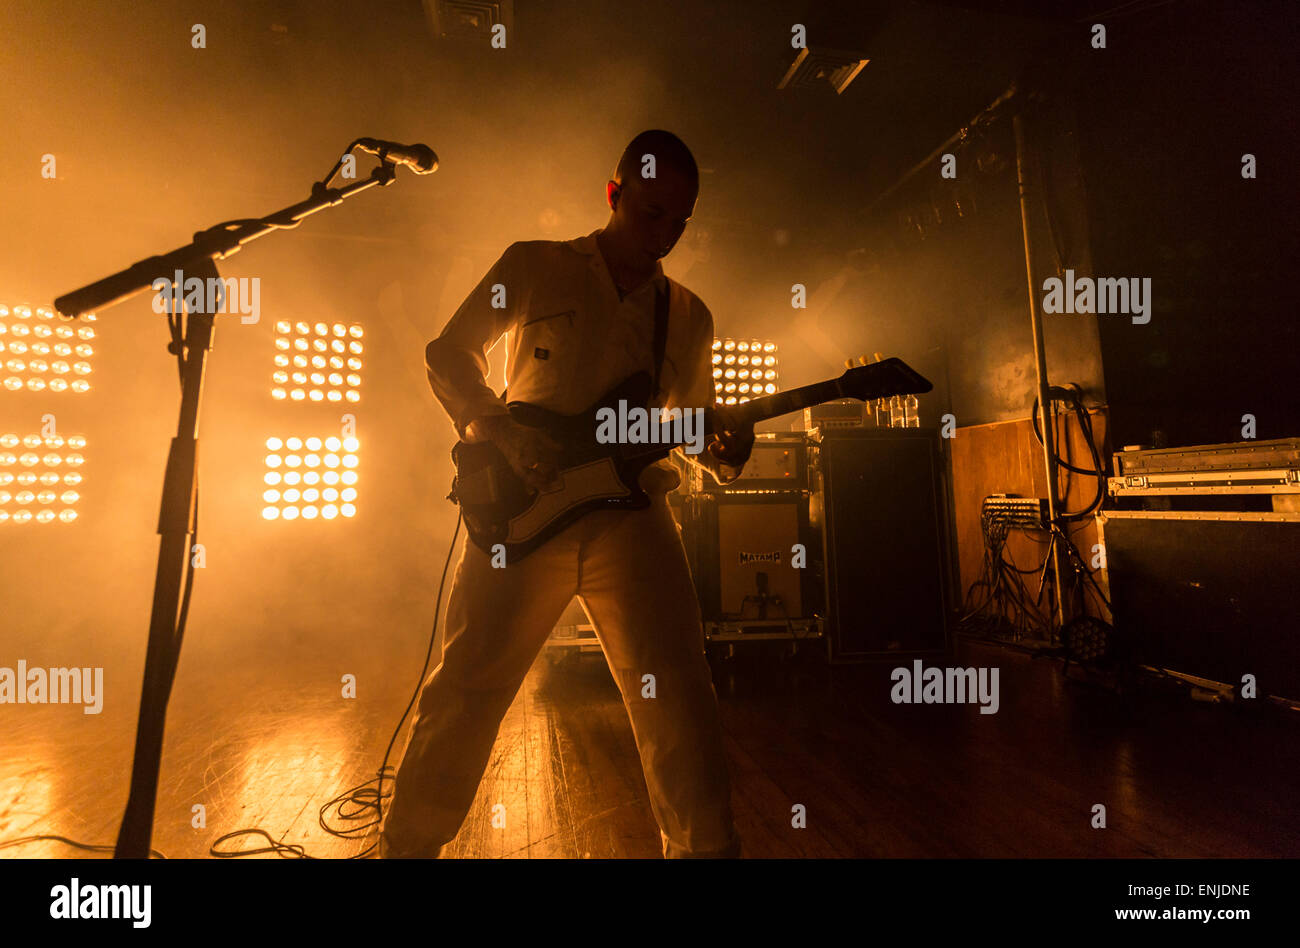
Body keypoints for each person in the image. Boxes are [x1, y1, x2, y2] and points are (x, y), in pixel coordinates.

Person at [379, 130, 753, 858]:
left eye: (680, 221)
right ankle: (405, 850)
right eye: (651, 213)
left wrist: (725, 450)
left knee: (679, 700)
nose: (665, 235)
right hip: (526, 509)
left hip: (632, 515)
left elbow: (693, 422)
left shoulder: (690, 315)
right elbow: (449, 351)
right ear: (614, 193)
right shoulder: (534, 266)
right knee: (468, 692)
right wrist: (498, 428)